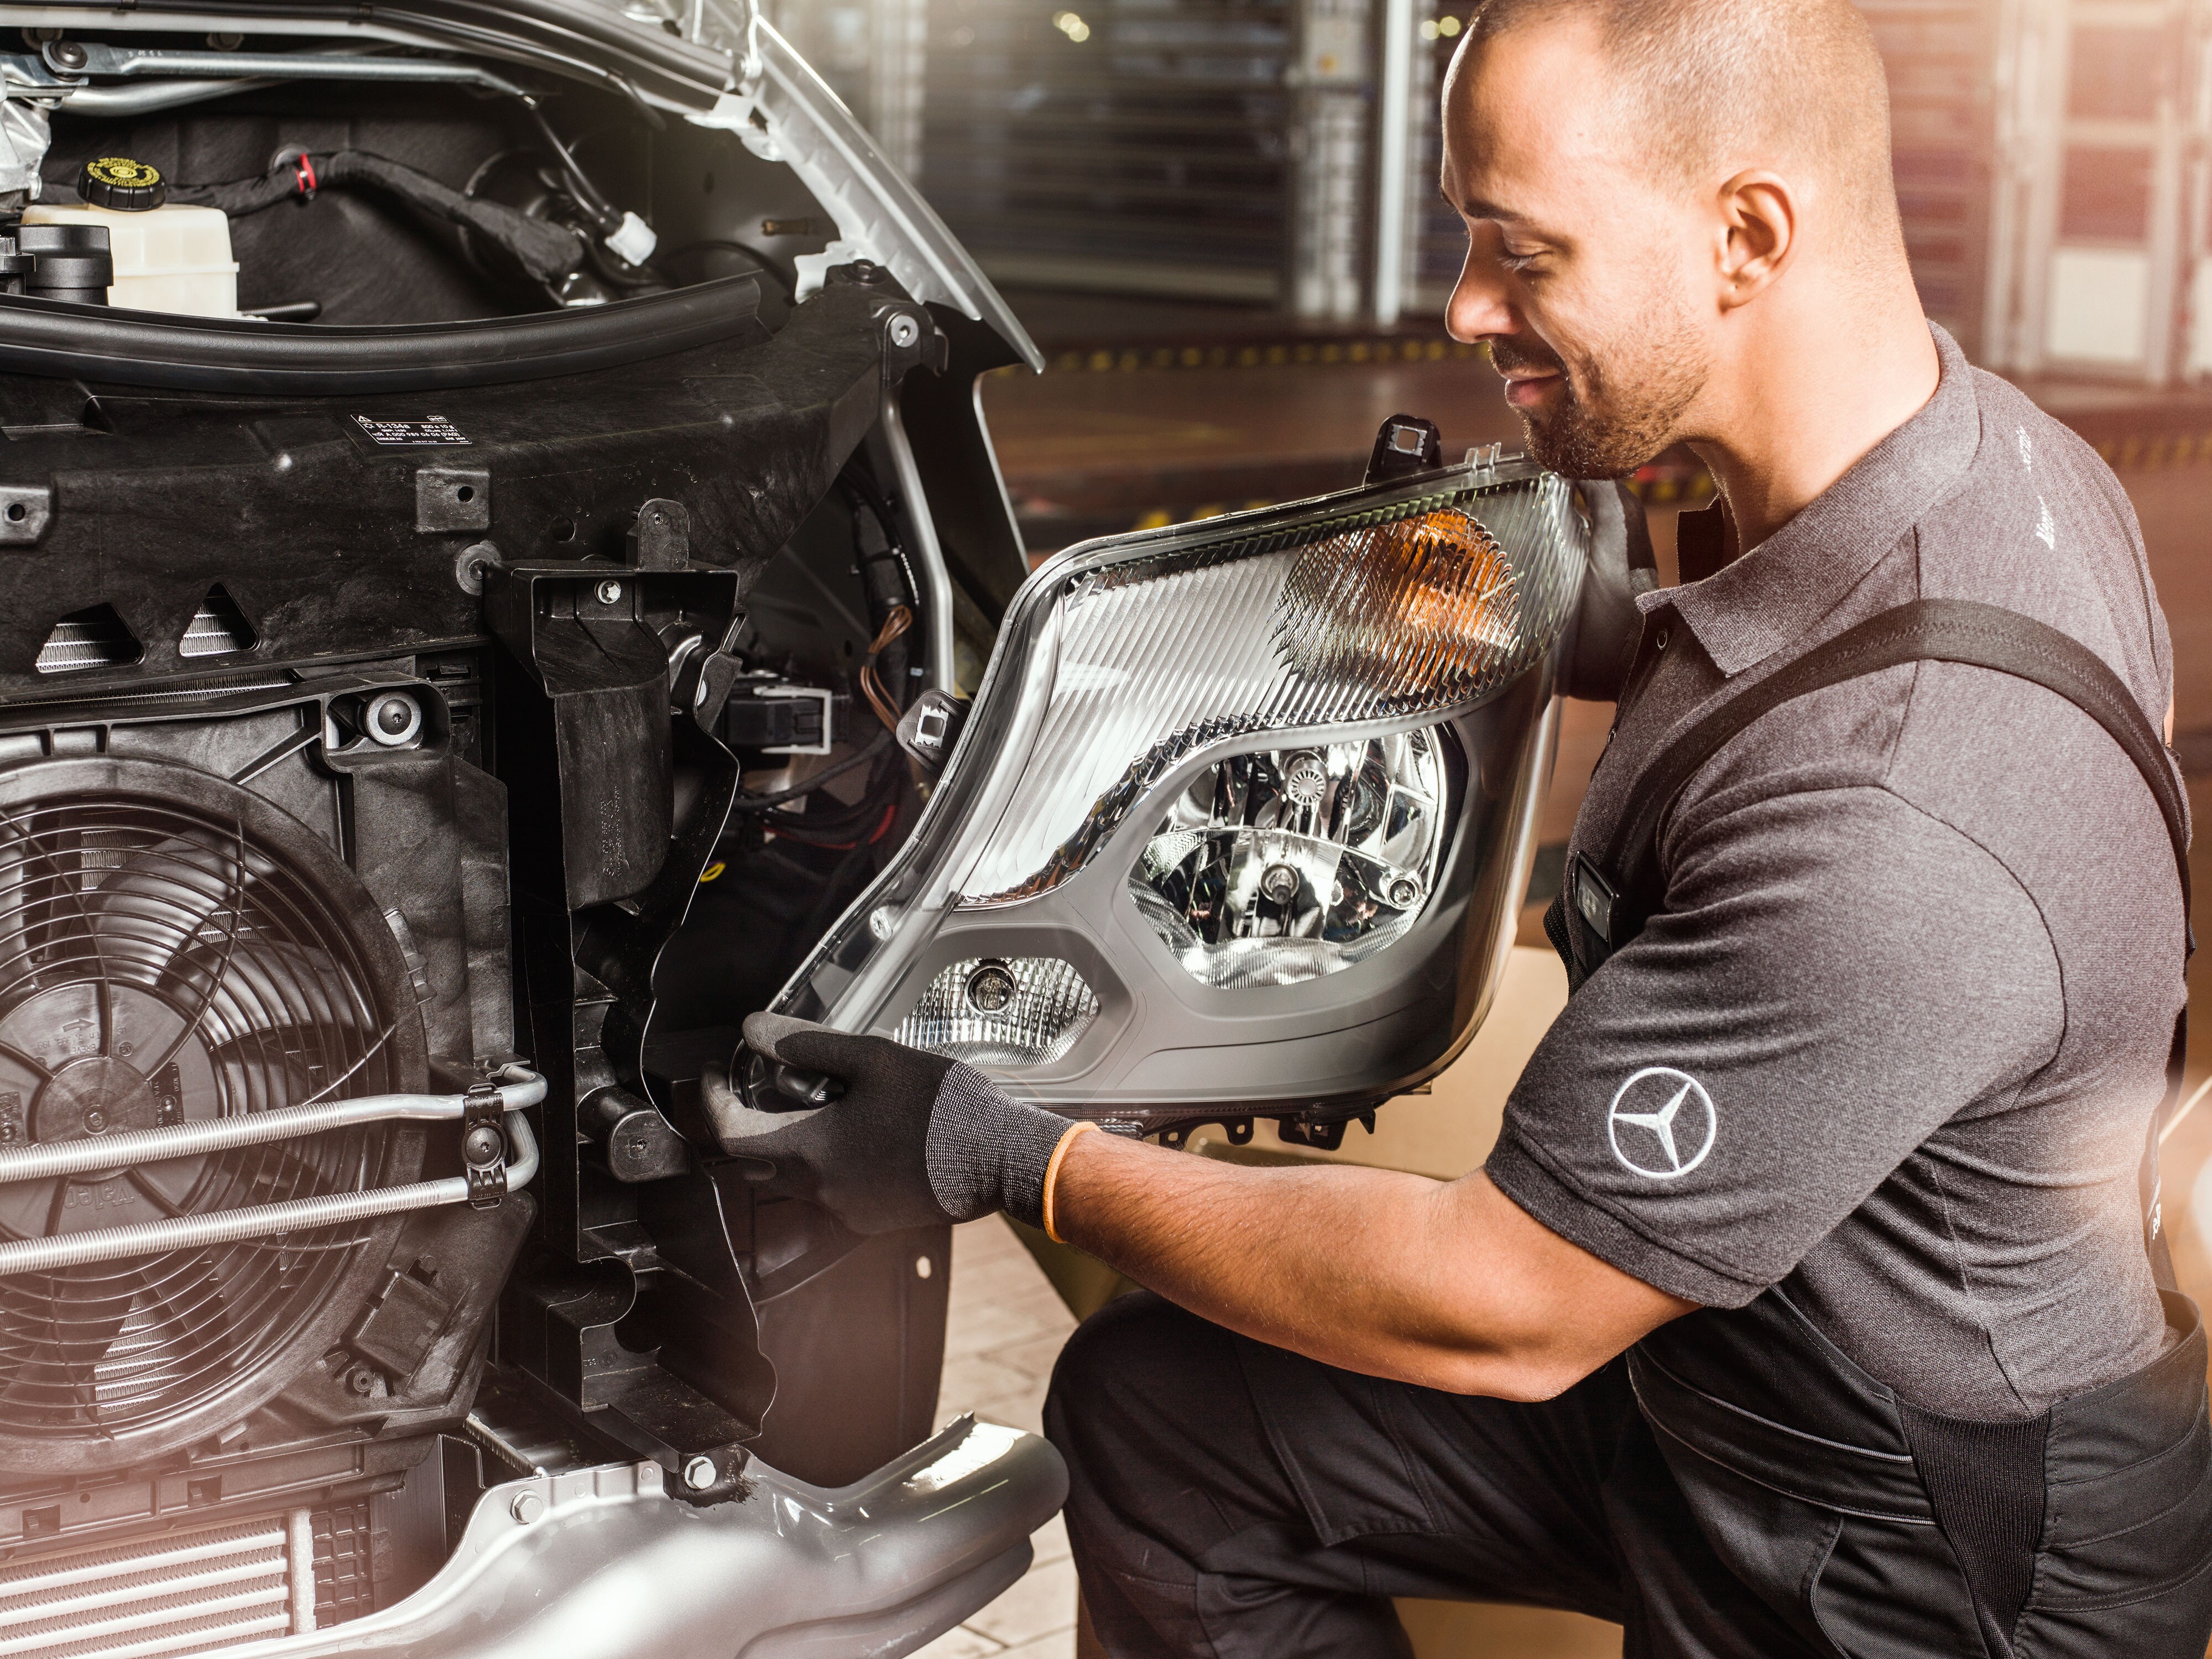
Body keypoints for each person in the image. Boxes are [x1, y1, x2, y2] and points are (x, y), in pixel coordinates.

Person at [729, 0, 2210, 1652]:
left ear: (1747, 236)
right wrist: (1602, 626)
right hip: (1745, 1358)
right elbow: (1873, 718)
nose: (1466, 306)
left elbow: (1507, 1307)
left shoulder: (1892, 814)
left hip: (1909, 1546)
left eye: (1527, 251)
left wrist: (1011, 1150)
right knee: (1170, 1421)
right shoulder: (1991, 460)